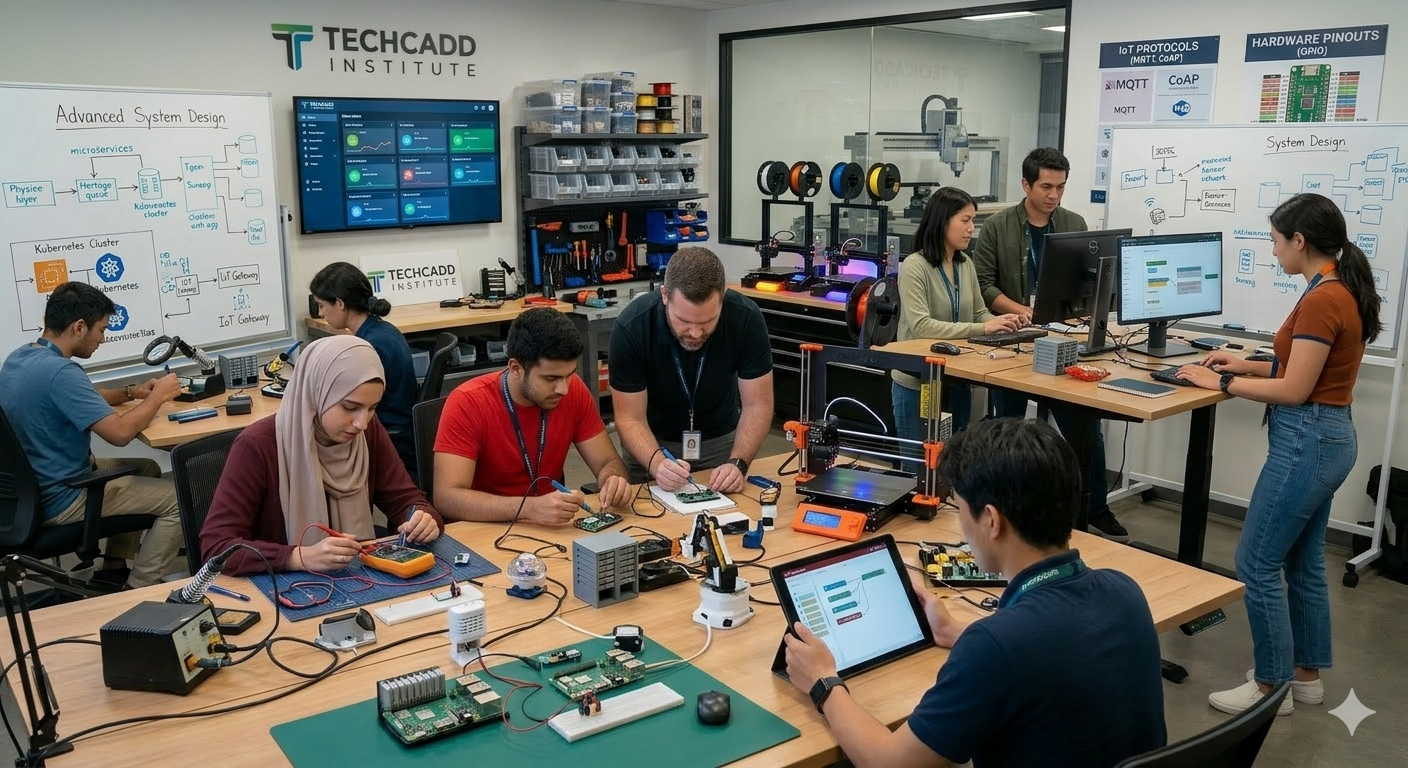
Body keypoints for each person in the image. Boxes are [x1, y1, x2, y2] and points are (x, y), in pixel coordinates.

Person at [783, 418, 1166, 768]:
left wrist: (823, 681)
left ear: (992, 521)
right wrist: (956, 633)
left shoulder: (996, 645)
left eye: (960, 509)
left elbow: (889, 763)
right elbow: (1050, 656)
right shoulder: (1124, 591)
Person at [1177, 193, 1380, 717]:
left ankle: (1270, 687)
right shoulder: (1335, 286)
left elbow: (1294, 391)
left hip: (1306, 441)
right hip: (1328, 437)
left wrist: (1219, 381)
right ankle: (1306, 676)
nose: (1272, 252)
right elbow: (1299, 371)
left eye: (1274, 241)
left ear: (1299, 241)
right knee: (1302, 559)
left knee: (1256, 560)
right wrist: (1244, 364)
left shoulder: (1322, 299)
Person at [972, 147, 1127, 542]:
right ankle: (1006, 506)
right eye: (1045, 186)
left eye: (1060, 186)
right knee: (1007, 424)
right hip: (1014, 339)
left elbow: (1092, 279)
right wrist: (1023, 311)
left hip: (1063, 339)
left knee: (1083, 424)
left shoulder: (1073, 222)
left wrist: (1086, 309)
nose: (1053, 194)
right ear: (1026, 184)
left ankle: (1094, 508)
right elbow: (985, 284)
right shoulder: (997, 227)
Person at [200, 336, 442, 576]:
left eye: (372, 408)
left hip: (354, 579)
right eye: (349, 407)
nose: (362, 422)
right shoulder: (258, 445)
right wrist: (298, 556)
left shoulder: (368, 432)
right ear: (316, 395)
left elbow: (405, 500)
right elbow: (217, 547)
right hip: (282, 585)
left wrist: (422, 518)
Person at [1, 281, 185, 589]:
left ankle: (113, 566)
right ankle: (136, 590)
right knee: (180, 500)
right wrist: (158, 397)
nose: (102, 338)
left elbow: (81, 396)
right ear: (79, 327)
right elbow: (121, 433)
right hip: (63, 496)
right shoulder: (63, 373)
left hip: (29, 489)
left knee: (148, 468)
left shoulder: (21, 358)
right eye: (101, 330)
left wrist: (131, 392)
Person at [434, 308, 632, 524]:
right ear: (516, 368)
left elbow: (608, 462)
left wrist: (613, 479)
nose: (563, 389)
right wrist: (529, 508)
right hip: (487, 527)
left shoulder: (573, 390)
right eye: (550, 378)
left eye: (569, 375)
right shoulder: (468, 402)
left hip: (552, 527)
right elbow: (447, 498)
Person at [609, 247, 773, 494]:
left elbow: (758, 404)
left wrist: (737, 462)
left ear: (723, 297)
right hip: (652, 445)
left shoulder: (746, 318)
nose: (696, 333)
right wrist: (657, 464)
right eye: (684, 322)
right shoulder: (633, 327)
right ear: (665, 295)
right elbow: (629, 418)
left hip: (722, 446)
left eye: (707, 322)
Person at [893, 186, 1025, 439]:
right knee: (921, 465)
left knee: (955, 464)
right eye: (965, 220)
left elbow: (978, 313)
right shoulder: (914, 266)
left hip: (957, 379)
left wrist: (1002, 322)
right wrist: (984, 328)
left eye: (973, 221)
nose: (970, 229)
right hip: (919, 383)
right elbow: (923, 327)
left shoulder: (965, 264)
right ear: (942, 222)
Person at [309, 262, 419, 477]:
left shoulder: (370, 347)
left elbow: (348, 402)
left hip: (391, 433)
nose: (321, 313)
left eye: (321, 305)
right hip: (404, 427)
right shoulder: (383, 330)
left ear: (340, 303)